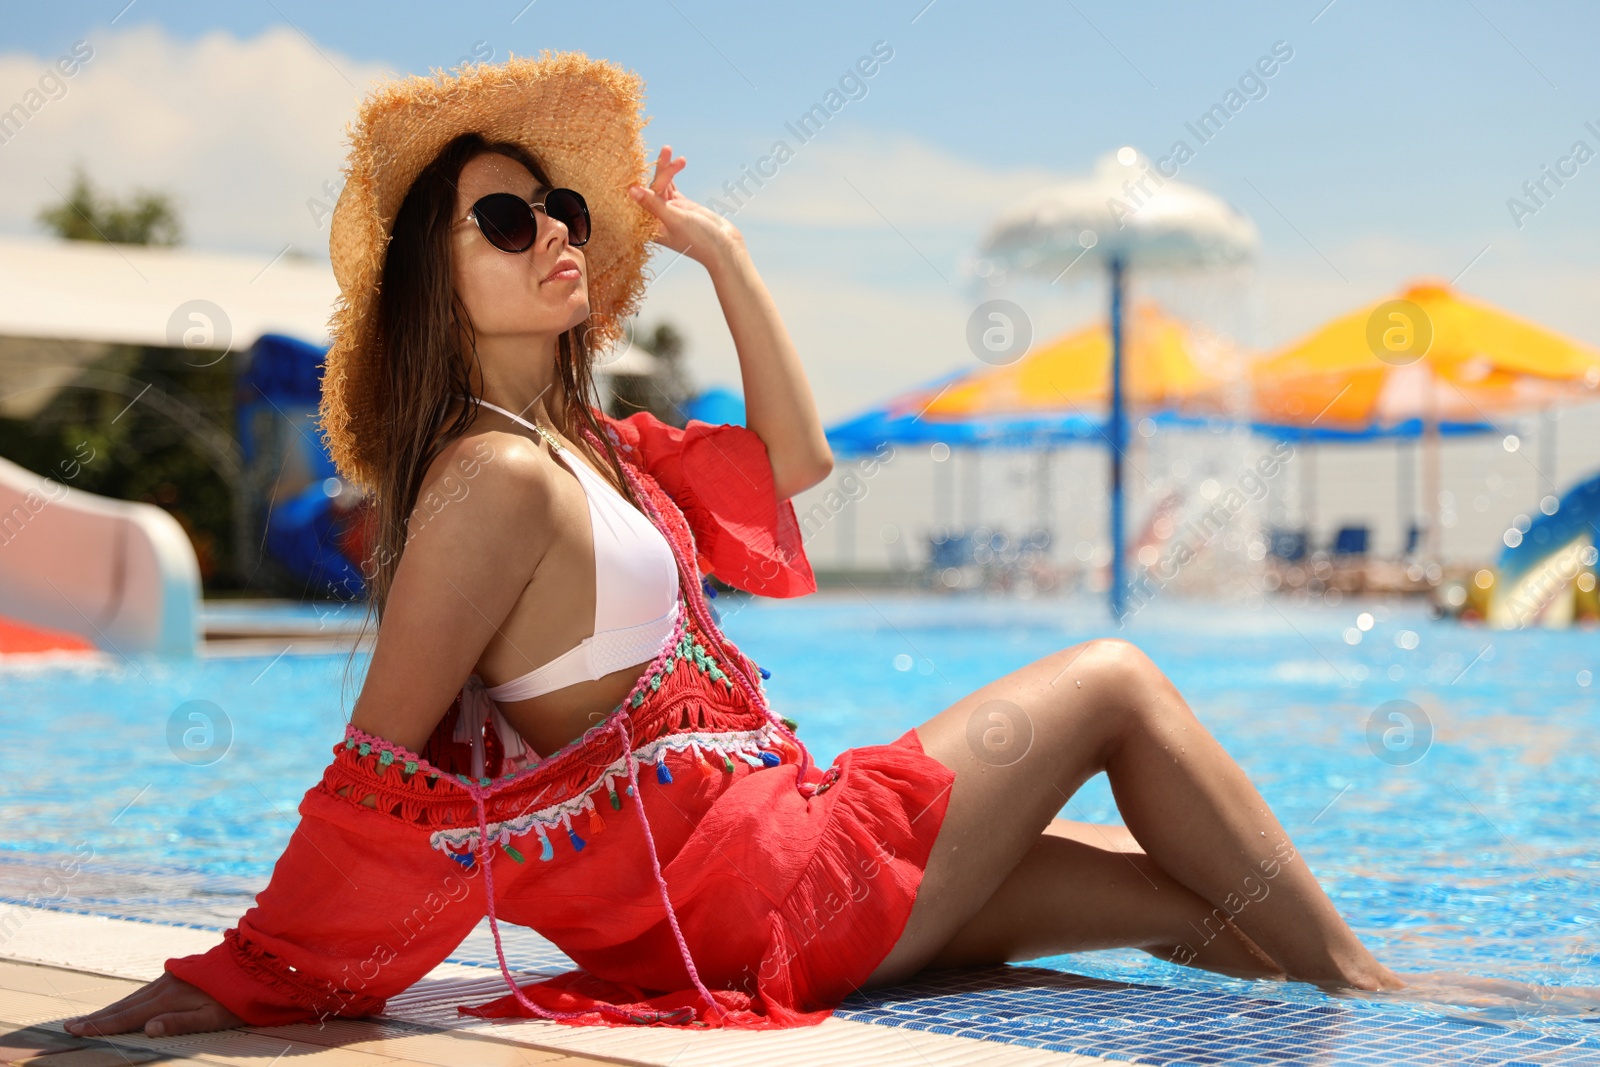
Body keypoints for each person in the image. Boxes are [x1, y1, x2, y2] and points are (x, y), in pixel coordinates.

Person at [64, 51, 1401, 1040]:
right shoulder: (490, 480)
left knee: (1172, 887)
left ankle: (1355, 1016)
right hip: (761, 897)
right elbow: (377, 768)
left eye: (563, 212)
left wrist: (724, 256)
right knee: (1114, 677)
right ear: (435, 278)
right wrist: (225, 980)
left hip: (773, 861)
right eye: (505, 220)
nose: (553, 236)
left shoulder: (601, 450)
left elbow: (797, 465)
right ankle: (1388, 1004)